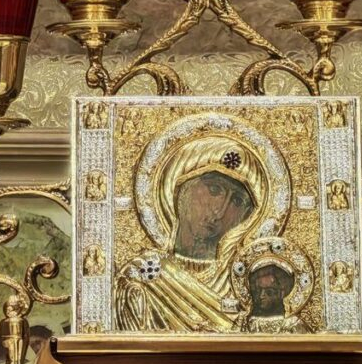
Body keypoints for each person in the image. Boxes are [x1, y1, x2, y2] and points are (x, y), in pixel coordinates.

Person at [114, 131, 287, 332]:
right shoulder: (140, 279)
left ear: (249, 216)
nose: (220, 211)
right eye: (214, 190)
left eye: (237, 201)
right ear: (180, 189)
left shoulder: (250, 285)